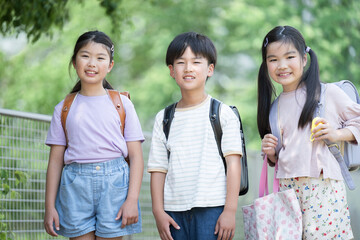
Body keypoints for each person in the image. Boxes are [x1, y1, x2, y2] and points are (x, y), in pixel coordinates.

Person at [257, 25, 360, 239]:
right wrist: (271, 152)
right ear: (266, 63)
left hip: (322, 189)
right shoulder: (274, 106)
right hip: (287, 191)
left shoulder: (327, 93)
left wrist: (337, 134)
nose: (282, 65)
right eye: (273, 59)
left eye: (289, 57)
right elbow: (281, 158)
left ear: (304, 59)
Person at [43, 30, 144, 240]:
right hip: (74, 188)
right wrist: (49, 207)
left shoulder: (123, 104)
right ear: (74, 61)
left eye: (100, 58)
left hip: (115, 186)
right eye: (85, 55)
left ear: (110, 65)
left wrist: (132, 199)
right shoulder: (63, 108)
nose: (92, 63)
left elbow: (136, 157)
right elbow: (55, 162)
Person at [147, 31, 243, 240]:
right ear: (172, 70)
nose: (188, 68)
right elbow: (158, 169)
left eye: (196, 62)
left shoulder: (222, 113)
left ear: (210, 69)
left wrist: (230, 211)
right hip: (173, 212)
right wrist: (158, 211)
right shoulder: (164, 118)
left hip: (213, 210)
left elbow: (233, 165)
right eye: (181, 62)